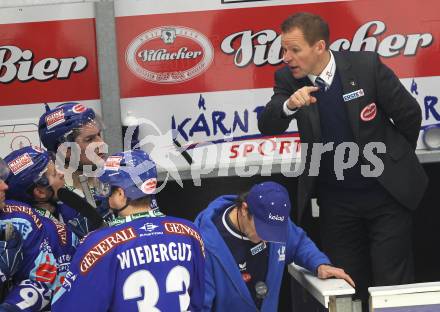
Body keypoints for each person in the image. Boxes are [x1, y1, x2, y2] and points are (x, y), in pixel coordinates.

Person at [258, 12, 428, 307]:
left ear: (319, 47)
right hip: (336, 204)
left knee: (393, 286)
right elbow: (268, 124)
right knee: (346, 286)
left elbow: (409, 115)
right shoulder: (287, 80)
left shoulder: (365, 66)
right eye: (284, 49)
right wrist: (288, 105)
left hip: (386, 197)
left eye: (294, 50)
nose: (286, 57)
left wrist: (392, 161)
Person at [51, 150, 205, 311]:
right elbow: (199, 301)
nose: (104, 194)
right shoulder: (190, 232)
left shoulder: (98, 244)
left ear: (120, 194)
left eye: (106, 188)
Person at [194, 181, 354, 311]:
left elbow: (299, 243)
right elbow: (200, 304)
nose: (267, 239)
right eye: (263, 230)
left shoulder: (276, 224)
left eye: (273, 232)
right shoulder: (206, 243)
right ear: (244, 209)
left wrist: (319, 264)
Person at [38, 102, 110, 218]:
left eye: (99, 135)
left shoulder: (116, 178)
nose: (102, 144)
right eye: (89, 139)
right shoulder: (50, 201)